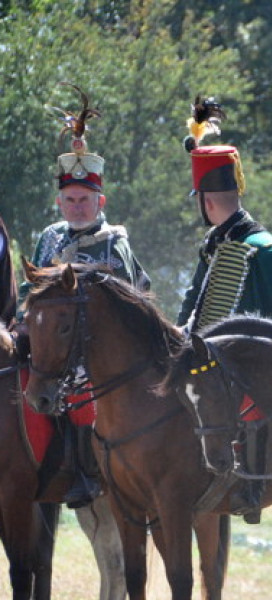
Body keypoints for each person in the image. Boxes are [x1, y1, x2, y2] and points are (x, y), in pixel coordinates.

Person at [178, 97, 272, 523]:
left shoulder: (264, 249)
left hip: (264, 370)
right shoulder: (217, 243)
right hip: (215, 358)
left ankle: (251, 484)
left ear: (206, 201)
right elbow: (195, 301)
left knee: (245, 400)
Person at [21, 85, 151, 509]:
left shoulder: (114, 243)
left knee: (75, 388)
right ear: (60, 200)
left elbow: (134, 300)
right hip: (51, 339)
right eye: (70, 200)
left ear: (100, 200)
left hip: (100, 352)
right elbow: (32, 291)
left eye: (84, 199)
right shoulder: (49, 238)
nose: (77, 207)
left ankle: (83, 470)